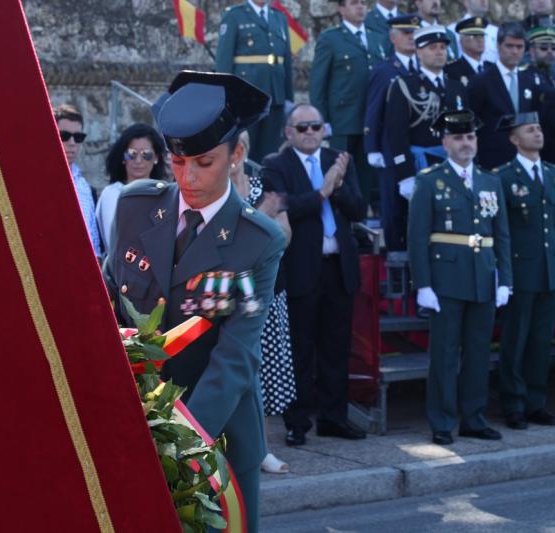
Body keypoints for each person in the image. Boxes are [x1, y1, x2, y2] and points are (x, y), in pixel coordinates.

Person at [104, 71, 285, 533]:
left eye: (204, 162)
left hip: (213, 436)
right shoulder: (135, 207)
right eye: (178, 162)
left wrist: (179, 446)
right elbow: (105, 305)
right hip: (132, 424)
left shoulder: (255, 241)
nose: (188, 177)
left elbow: (235, 356)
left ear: (237, 154)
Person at [261, 104, 368, 446]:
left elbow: (359, 209)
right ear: (288, 133)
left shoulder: (339, 160)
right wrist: (321, 191)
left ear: (325, 129)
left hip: (338, 266)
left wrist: (336, 186)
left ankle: (334, 418)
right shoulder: (275, 165)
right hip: (301, 270)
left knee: (336, 348)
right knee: (300, 350)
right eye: (302, 127)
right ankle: (297, 422)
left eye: (316, 126)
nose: (310, 132)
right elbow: (281, 206)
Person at [408, 109, 512, 445]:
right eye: (458, 137)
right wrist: (422, 284)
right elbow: (417, 237)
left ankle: (474, 418)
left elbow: (502, 234)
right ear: (445, 142)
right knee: (445, 354)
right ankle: (441, 421)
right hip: (446, 278)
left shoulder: (490, 181)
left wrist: (505, 279)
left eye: (469, 137)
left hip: (483, 275)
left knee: (479, 352)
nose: (465, 143)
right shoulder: (429, 180)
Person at [494, 112, 555, 430]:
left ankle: (536, 402)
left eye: (539, 128)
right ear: (514, 139)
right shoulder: (503, 176)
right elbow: (501, 230)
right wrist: (504, 275)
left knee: (541, 340)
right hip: (521, 271)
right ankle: (513, 403)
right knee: (516, 339)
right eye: (529, 129)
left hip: (550, 270)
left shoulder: (553, 173)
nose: (537, 133)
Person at [230, 131, 295, 475]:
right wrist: (262, 217)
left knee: (266, 369)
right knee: (234, 371)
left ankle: (263, 449)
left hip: (268, 291)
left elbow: (284, 236)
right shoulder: (214, 191)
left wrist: (257, 219)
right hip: (228, 295)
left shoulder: (263, 183)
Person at [384, 25, 468, 244]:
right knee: (423, 226)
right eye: (432, 48)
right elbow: (396, 134)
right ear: (419, 52)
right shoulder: (405, 86)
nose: (439, 52)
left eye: (442, 47)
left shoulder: (456, 86)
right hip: (422, 165)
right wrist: (405, 176)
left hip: (453, 165)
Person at [310, 0, 385, 205]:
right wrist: (321, 120)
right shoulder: (331, 38)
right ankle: (342, 220)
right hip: (343, 120)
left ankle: (362, 221)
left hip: (371, 120)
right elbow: (318, 84)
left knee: (366, 176)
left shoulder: (377, 37)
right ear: (341, 9)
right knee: (340, 174)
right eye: (354, 3)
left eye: (363, 3)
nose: (360, 7)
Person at [364, 14, 422, 250]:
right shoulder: (385, 70)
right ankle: (396, 256)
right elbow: (373, 110)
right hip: (391, 148)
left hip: (419, 147)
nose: (411, 38)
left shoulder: (424, 69)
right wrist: (373, 147)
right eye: (405, 33)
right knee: (393, 207)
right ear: (392, 37)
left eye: (414, 33)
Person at [215, 0, 294, 163]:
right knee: (246, 149)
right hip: (246, 95)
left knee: (271, 151)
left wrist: (288, 97)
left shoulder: (279, 17)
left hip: (275, 93)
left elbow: (286, 62)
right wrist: (226, 96)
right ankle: (247, 187)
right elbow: (224, 59)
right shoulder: (234, 15)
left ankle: (268, 186)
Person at [468, 21, 542, 169]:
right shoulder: (481, 81)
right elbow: (472, 121)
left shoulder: (529, 80)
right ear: (498, 46)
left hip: (524, 159)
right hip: (492, 159)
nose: (514, 51)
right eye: (509, 46)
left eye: (519, 47)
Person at [96, 124, 166, 254]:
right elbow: (115, 243)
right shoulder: (112, 194)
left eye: (146, 155)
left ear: (156, 158)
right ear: (123, 157)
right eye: (131, 154)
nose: (138, 160)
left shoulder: (167, 195)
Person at [54, 104, 102, 260]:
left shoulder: (86, 188)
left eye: (78, 137)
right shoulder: (36, 183)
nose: (72, 142)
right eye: (65, 136)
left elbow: (94, 244)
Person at [445, 16, 493, 88]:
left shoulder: (492, 68)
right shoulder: (452, 70)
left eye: (482, 35)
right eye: (474, 36)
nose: (480, 40)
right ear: (462, 41)